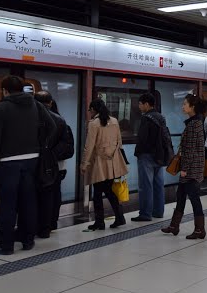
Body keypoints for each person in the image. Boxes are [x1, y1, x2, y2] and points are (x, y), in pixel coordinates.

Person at [0, 76, 56, 255]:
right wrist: (40, 145)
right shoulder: (36, 105)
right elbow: (52, 126)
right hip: (32, 160)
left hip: (7, 163)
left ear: (5, 90)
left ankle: (5, 245)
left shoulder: (1, 108)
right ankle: (27, 240)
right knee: (28, 201)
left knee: (8, 204)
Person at [161, 94, 207, 240]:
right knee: (180, 196)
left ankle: (200, 229)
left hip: (191, 170)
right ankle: (174, 226)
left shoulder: (194, 125)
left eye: (185, 104)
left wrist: (185, 169)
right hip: (192, 167)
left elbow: (191, 150)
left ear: (192, 107)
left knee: (194, 199)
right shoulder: (195, 122)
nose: (183, 106)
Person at [81, 98, 128, 230]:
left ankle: (100, 222)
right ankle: (119, 217)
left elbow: (89, 146)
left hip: (99, 163)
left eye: (90, 109)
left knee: (97, 193)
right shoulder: (114, 121)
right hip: (112, 162)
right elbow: (119, 142)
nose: (89, 112)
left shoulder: (94, 123)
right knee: (108, 190)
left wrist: (84, 163)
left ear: (94, 110)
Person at [34, 91, 74, 238]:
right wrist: (51, 155)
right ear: (50, 103)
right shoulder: (61, 121)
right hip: (56, 166)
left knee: (36, 196)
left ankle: (37, 225)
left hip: (35, 164)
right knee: (53, 195)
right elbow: (68, 147)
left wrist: (44, 155)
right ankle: (50, 224)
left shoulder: (29, 119)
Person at [133, 93, 172, 221]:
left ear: (146, 104)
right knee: (158, 184)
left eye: (140, 103)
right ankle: (158, 211)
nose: (139, 106)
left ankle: (145, 214)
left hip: (147, 156)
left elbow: (142, 139)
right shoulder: (161, 117)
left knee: (145, 185)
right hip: (159, 156)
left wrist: (138, 153)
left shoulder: (146, 118)